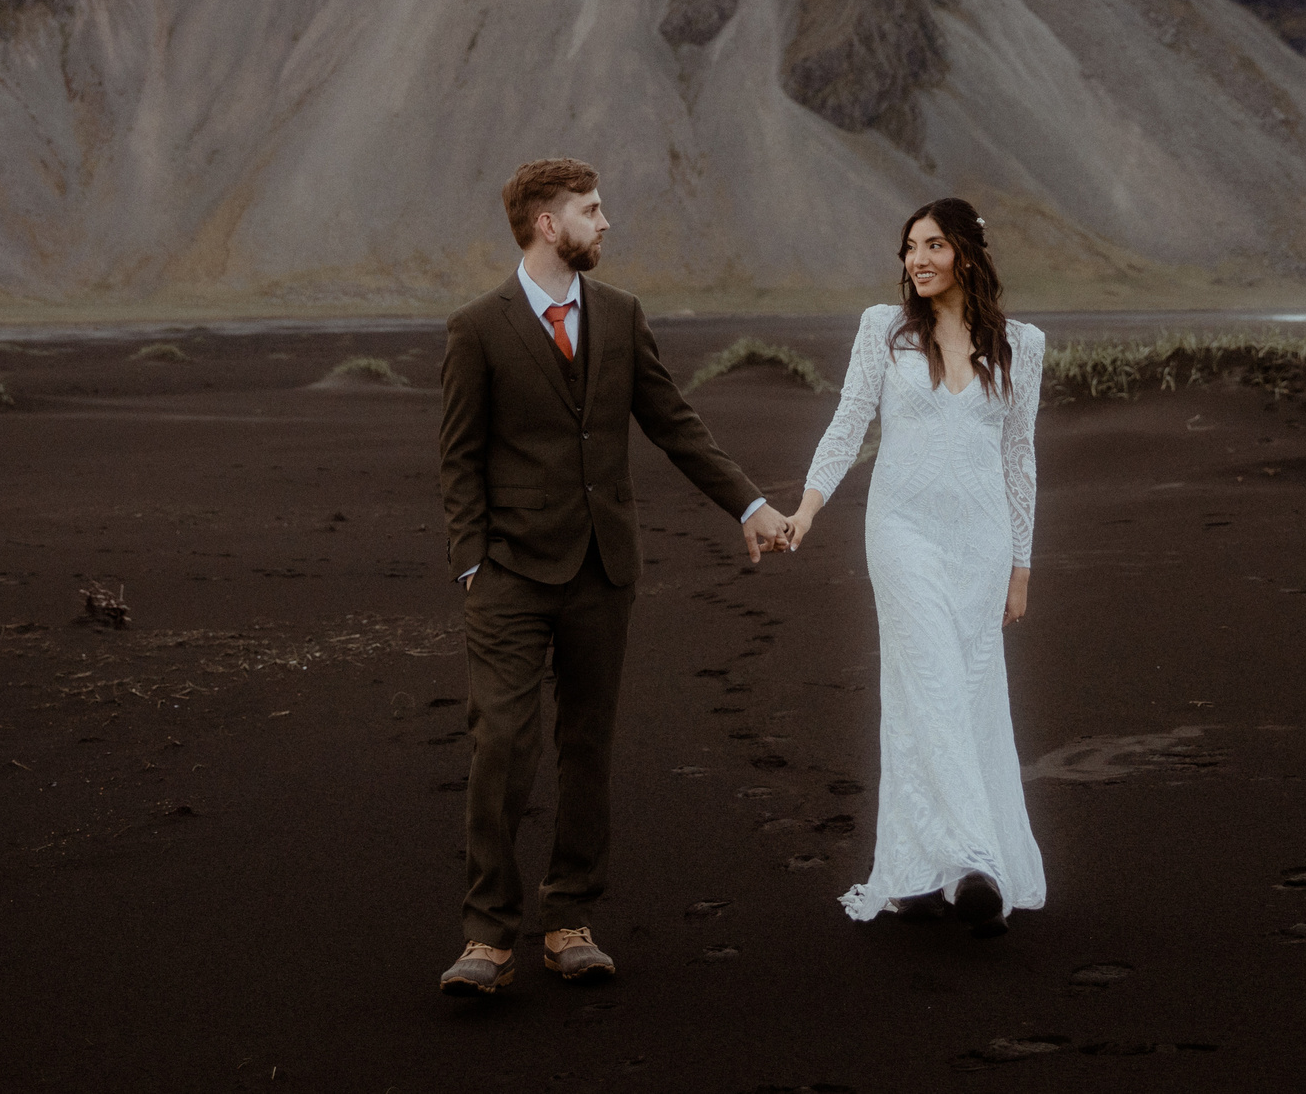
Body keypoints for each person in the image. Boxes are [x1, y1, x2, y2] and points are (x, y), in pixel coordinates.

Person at [436, 158, 792, 995]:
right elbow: (457, 457)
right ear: (546, 224)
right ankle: (487, 937)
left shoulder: (622, 317)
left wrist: (749, 507)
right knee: (501, 744)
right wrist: (472, 564)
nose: (607, 222)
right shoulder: (477, 327)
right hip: (511, 577)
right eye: (592, 211)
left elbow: (677, 424)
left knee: (587, 747)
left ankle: (569, 921)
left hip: (604, 569)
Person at [785, 196, 1045, 935]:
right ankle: (975, 861)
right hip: (901, 532)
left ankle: (918, 871)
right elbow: (847, 424)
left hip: (982, 541)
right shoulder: (885, 331)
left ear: (966, 251)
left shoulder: (1021, 345)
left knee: (963, 690)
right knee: (930, 678)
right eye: (909, 248)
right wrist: (807, 507)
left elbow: (1019, 459)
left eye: (932, 245)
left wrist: (1021, 566)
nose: (917, 260)